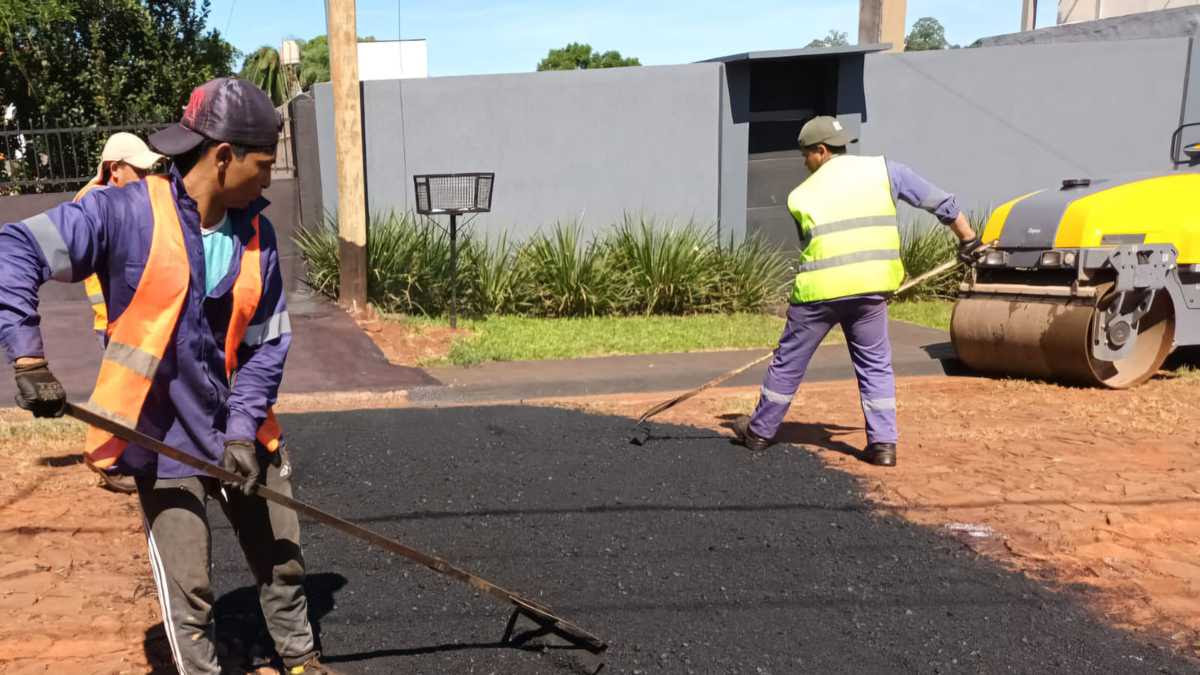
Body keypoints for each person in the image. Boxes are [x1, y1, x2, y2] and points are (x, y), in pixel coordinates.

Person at [0, 77, 336, 674]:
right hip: (164, 436)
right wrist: (28, 358)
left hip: (243, 429)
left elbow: (267, 345)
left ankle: (303, 661)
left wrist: (239, 431)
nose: (266, 179)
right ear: (224, 155)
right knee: (192, 588)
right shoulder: (122, 213)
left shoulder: (258, 235)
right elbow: (14, 249)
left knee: (282, 559)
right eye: (263, 164)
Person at [732, 116, 981, 467]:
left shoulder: (800, 196)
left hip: (818, 295)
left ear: (821, 151)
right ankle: (883, 446)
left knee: (788, 364)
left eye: (806, 155)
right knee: (875, 364)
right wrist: (968, 238)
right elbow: (939, 202)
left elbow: (811, 244)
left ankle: (758, 434)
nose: (804, 163)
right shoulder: (885, 171)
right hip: (870, 292)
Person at [74, 132, 166, 494]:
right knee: (126, 392)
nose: (146, 179)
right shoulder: (99, 204)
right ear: (115, 170)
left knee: (132, 391)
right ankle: (112, 458)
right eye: (139, 171)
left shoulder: (104, 199)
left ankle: (126, 456)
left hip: (125, 318)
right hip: (117, 320)